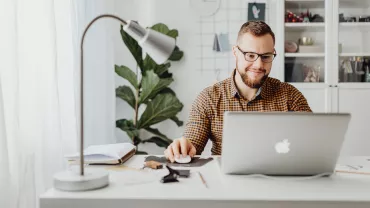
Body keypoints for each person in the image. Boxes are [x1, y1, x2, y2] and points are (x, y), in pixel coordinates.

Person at [164, 21, 312, 162]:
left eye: (266, 56)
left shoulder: (290, 96)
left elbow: (314, 142)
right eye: (250, 55)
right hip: (226, 184)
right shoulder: (209, 98)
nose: (258, 64)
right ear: (235, 52)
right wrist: (183, 147)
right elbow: (192, 142)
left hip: (280, 181)